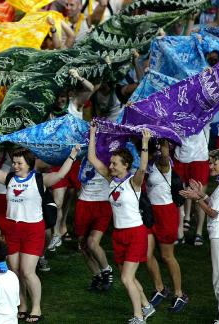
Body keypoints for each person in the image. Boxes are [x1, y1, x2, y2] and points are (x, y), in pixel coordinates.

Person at [0, 136, 80, 323]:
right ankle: (23, 304)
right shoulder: (9, 178)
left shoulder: (39, 179)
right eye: (14, 162)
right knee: (15, 269)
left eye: (19, 163)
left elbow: (60, 175)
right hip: (12, 229)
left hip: (33, 230)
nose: (15, 166)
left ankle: (36, 307)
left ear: (29, 164)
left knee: (28, 271)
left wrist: (73, 155)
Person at [88, 123, 154, 324]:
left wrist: (144, 143)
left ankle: (138, 317)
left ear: (126, 165)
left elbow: (143, 167)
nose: (111, 166)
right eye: (111, 163)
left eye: (115, 163)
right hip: (119, 235)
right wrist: (92, 134)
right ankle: (147, 306)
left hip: (135, 234)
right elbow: (92, 159)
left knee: (126, 278)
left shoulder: (134, 182)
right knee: (130, 277)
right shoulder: (111, 179)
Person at [180, 148, 219, 324]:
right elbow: (218, 204)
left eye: (214, 164)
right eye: (210, 163)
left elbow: (214, 212)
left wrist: (196, 199)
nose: (210, 166)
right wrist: (202, 194)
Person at [145, 140, 188, 312]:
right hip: (150, 211)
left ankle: (179, 294)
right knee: (146, 254)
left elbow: (164, 155)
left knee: (167, 256)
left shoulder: (164, 163)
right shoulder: (146, 162)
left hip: (165, 213)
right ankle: (160, 288)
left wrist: (162, 137)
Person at [74, 160, 113, 291]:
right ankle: (97, 275)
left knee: (92, 242)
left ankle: (107, 270)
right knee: (83, 246)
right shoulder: (83, 154)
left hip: (102, 203)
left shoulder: (108, 154)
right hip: (83, 204)